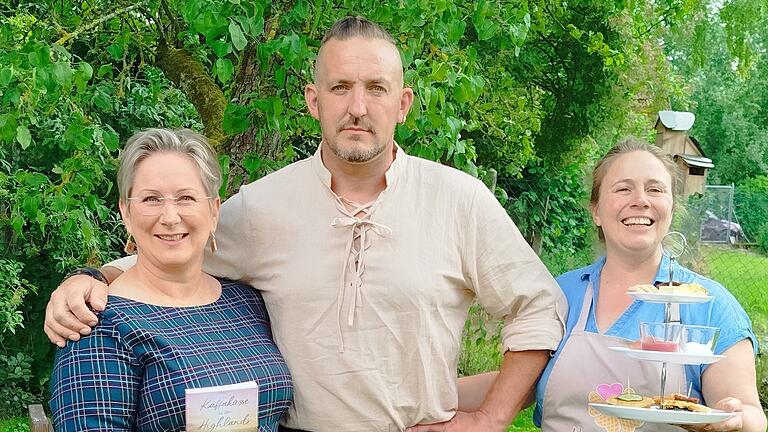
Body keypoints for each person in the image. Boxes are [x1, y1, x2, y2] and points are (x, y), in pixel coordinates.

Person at [44, 16, 566, 432]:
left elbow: (538, 305)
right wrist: (88, 278)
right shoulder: (262, 207)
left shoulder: (460, 201)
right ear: (314, 101)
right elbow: (172, 245)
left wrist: (492, 417)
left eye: (376, 88)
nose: (357, 107)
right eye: (339, 87)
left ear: (402, 104)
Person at [48, 129, 293, 431]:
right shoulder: (99, 325)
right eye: (151, 199)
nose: (170, 216)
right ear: (126, 212)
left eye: (186, 198)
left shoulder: (246, 302)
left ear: (214, 211)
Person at [533, 138, 766, 431]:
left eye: (655, 189)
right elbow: (516, 382)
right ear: (596, 210)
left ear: (671, 207)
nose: (640, 200)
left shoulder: (710, 305)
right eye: (623, 188)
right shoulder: (562, 294)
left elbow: (750, 415)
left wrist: (735, 419)